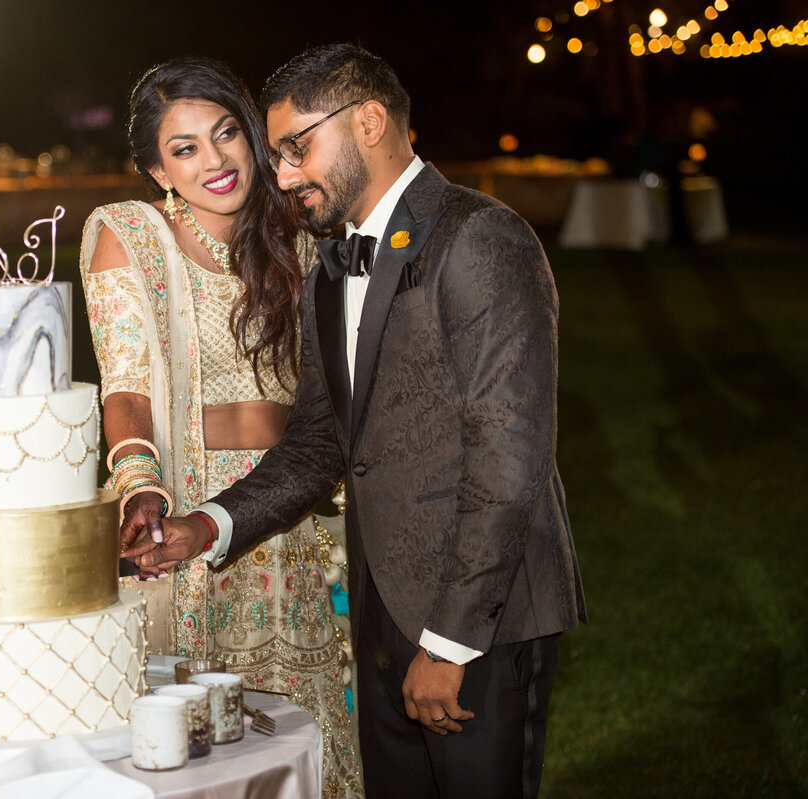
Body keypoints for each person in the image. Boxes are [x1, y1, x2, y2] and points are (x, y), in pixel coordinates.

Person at [124, 44, 587, 799]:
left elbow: (510, 458)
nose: (282, 175)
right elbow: (318, 445)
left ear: (369, 120)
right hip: (383, 618)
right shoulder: (329, 270)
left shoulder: (480, 238)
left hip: (480, 622)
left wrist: (449, 643)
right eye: (276, 154)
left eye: (297, 148)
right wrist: (204, 528)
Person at [79, 57, 362, 799]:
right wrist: (140, 488)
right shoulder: (130, 239)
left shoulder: (301, 240)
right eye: (185, 149)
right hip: (189, 524)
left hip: (293, 518)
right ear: (157, 171)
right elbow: (127, 387)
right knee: (200, 758)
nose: (215, 160)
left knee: (310, 744)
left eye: (226, 133)